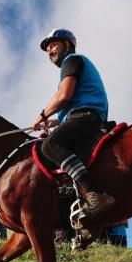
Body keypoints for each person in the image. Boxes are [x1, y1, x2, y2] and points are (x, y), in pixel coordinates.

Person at [32, 28, 114, 221]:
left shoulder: (72, 61)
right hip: (84, 115)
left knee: (49, 145)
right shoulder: (75, 63)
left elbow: (64, 96)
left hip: (86, 116)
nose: (50, 50)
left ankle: (94, 193)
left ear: (67, 45)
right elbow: (68, 106)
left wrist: (42, 115)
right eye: (48, 48)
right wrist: (52, 122)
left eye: (53, 44)